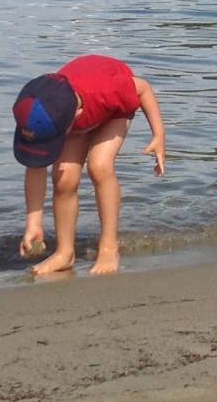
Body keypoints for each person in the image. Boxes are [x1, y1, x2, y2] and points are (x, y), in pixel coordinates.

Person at [13, 55, 166, 277]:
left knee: (99, 166)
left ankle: (109, 247)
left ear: (76, 115)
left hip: (114, 109)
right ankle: (65, 253)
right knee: (64, 177)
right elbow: (35, 167)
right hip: (71, 112)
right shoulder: (36, 112)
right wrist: (34, 223)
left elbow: (143, 89)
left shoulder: (109, 89)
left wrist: (159, 135)